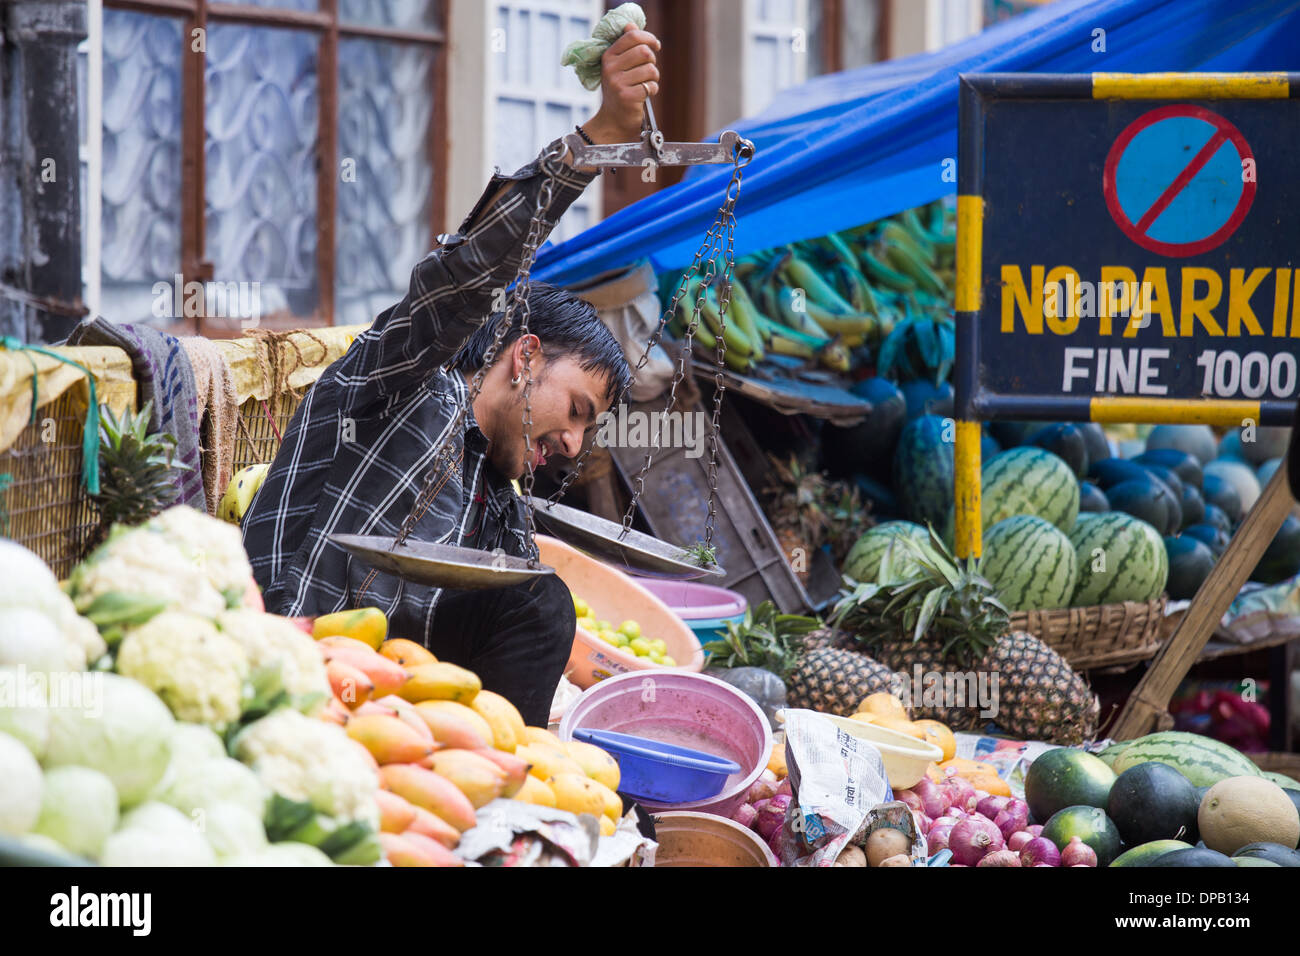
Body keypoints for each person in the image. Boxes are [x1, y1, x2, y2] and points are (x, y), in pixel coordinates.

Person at [242, 25, 662, 725]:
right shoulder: (403, 384)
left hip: (391, 710)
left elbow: (537, 638)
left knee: (538, 600)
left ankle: (499, 783)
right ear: (524, 357)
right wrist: (597, 142)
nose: (574, 444)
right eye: (578, 410)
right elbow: (466, 275)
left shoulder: (498, 499)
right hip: (292, 673)